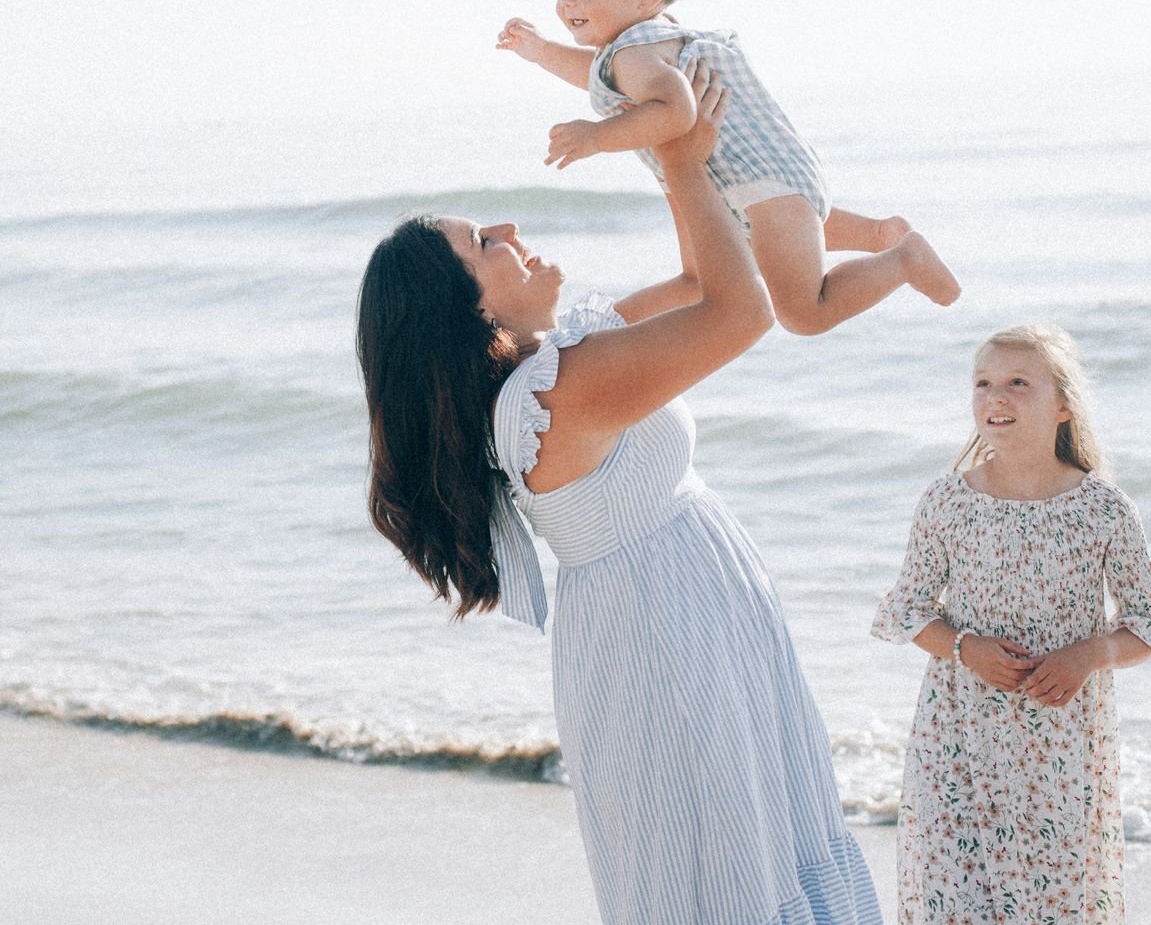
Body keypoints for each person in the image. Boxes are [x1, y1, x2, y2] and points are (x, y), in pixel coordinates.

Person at [356, 69, 880, 925]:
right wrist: (679, 161)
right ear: (470, 309)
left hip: (679, 612)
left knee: (739, 842)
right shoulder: (554, 395)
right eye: (486, 240)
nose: (513, 229)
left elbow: (703, 276)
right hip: (665, 633)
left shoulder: (558, 361)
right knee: (720, 860)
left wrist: (676, 143)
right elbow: (740, 315)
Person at [497, 0, 959, 335]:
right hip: (760, 182)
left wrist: (597, 136)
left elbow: (676, 110)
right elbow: (601, 77)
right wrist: (539, 51)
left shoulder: (635, 51)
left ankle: (903, 259)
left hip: (757, 186)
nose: (567, 0)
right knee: (699, 280)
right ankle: (880, 233)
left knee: (803, 312)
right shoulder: (636, 48)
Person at [871, 325, 1151, 924]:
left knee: (1048, 906)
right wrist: (965, 648)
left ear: (1064, 405)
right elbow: (907, 611)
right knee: (953, 903)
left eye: (1019, 383)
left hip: (1057, 749)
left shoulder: (1102, 509)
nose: (997, 397)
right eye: (983, 383)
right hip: (955, 739)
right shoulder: (947, 500)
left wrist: (1089, 654)